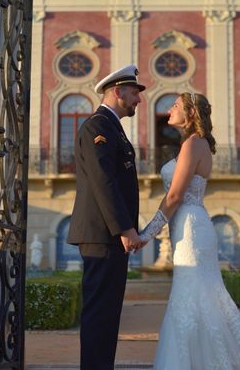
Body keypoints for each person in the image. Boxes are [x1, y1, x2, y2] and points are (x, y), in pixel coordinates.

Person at [139, 93, 240, 369]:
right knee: (200, 297)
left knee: (191, 297)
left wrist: (146, 235)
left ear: (191, 113)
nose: (170, 109)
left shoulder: (193, 144)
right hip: (189, 225)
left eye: (175, 105)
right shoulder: (195, 144)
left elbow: (174, 196)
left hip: (190, 227)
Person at [67, 64, 146, 370]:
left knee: (108, 312)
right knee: (100, 311)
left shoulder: (111, 127)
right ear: (118, 91)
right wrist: (126, 228)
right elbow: (104, 181)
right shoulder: (97, 126)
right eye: (135, 93)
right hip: (102, 234)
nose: (139, 100)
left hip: (108, 234)